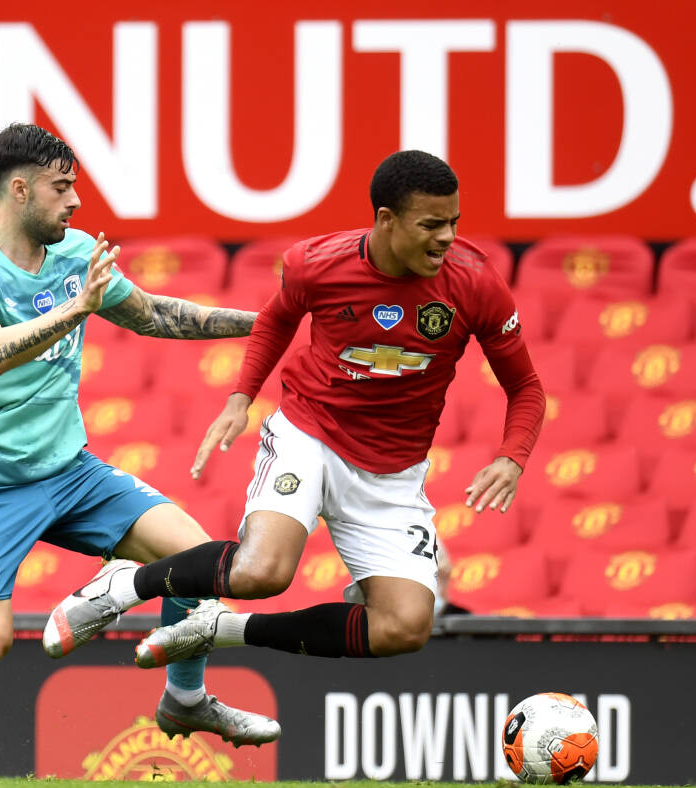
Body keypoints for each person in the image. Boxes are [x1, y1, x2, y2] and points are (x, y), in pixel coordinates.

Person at [0, 123, 279, 780]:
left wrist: (265, 324)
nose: (74, 203)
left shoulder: (73, 259)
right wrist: (77, 310)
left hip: (67, 472)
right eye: (61, 188)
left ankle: (184, 698)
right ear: (19, 189)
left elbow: (151, 313)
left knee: (198, 555)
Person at [46, 149, 545, 668]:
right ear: (386, 220)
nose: (446, 237)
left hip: (392, 473)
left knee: (405, 626)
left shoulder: (476, 283)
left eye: (453, 222)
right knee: (260, 572)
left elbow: (526, 386)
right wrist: (240, 398)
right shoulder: (317, 263)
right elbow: (277, 320)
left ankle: (225, 628)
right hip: (311, 435)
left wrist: (511, 457)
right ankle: (125, 583)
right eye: (432, 224)